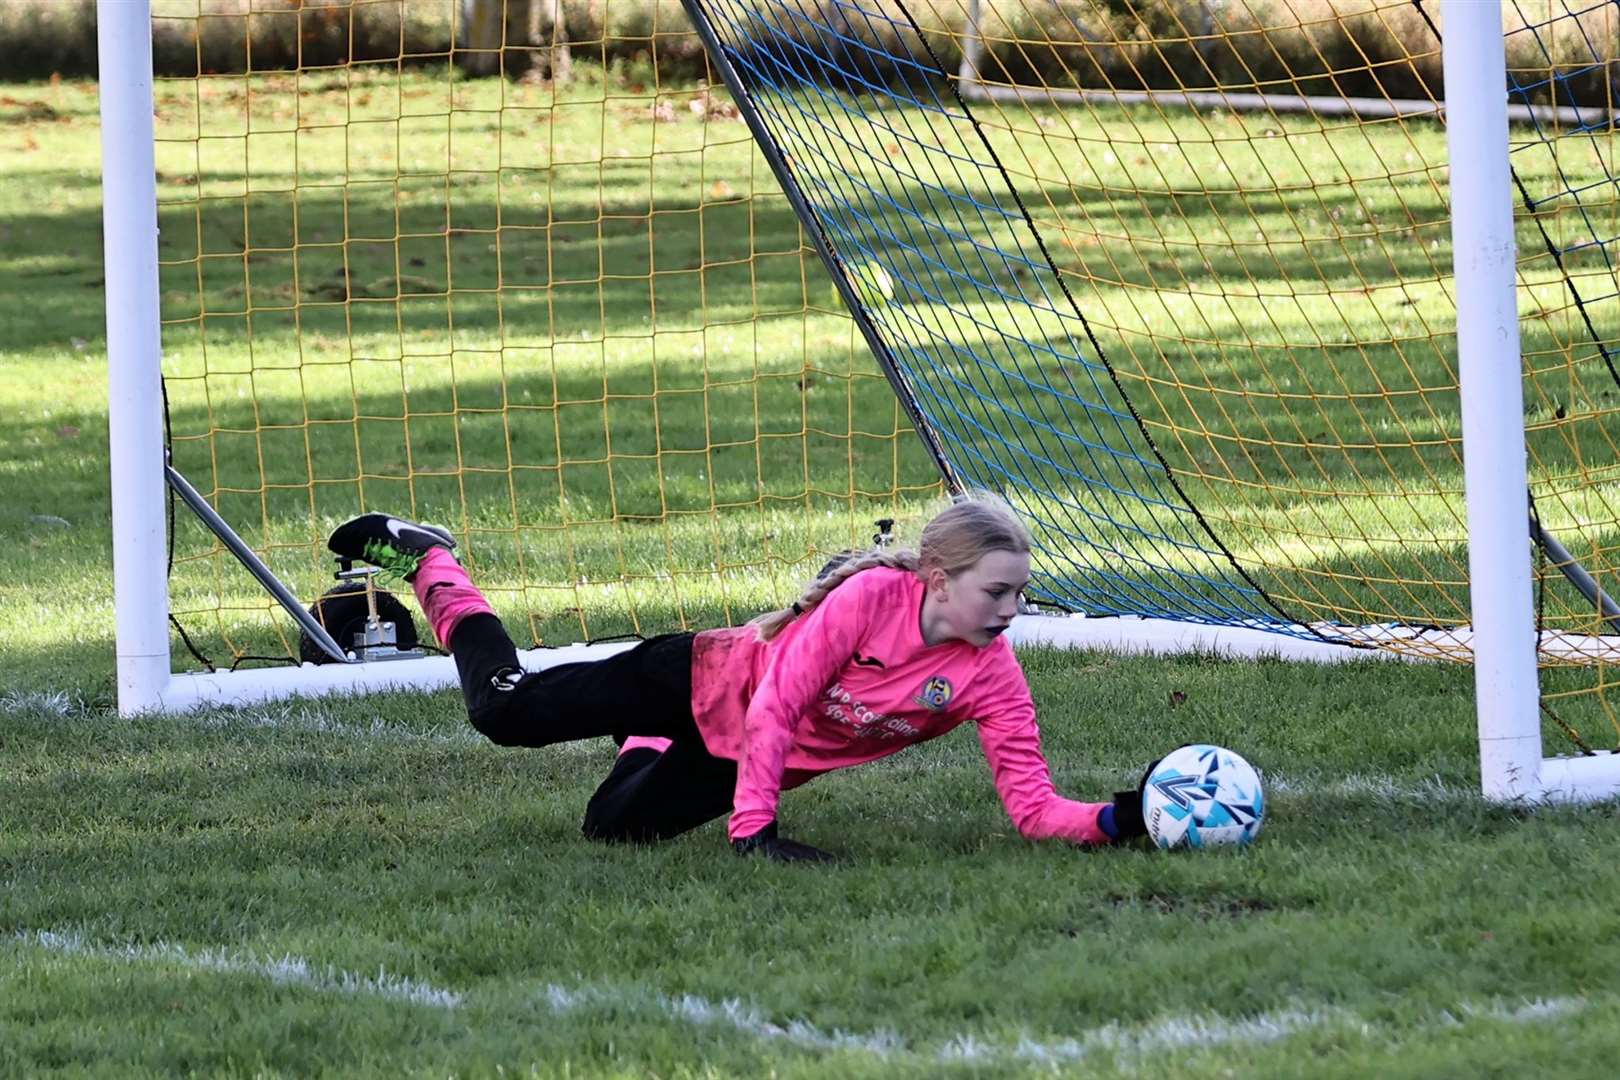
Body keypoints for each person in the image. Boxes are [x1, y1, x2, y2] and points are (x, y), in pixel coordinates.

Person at [326, 494, 1147, 861]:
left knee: (613, 832)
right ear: (938, 576)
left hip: (736, 750)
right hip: (695, 678)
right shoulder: (870, 598)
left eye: (1020, 593)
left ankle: (645, 747)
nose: (1013, 608)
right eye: (997, 591)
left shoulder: (992, 678)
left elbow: (1035, 809)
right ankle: (435, 563)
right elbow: (781, 705)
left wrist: (1119, 821)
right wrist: (754, 833)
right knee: (503, 713)